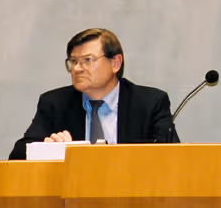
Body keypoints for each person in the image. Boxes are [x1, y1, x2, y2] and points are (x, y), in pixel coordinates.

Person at [9, 28, 177, 160]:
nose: (77, 69)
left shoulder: (149, 103)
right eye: (73, 61)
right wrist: (46, 147)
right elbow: (18, 154)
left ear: (115, 63)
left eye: (87, 60)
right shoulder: (55, 103)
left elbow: (172, 158)